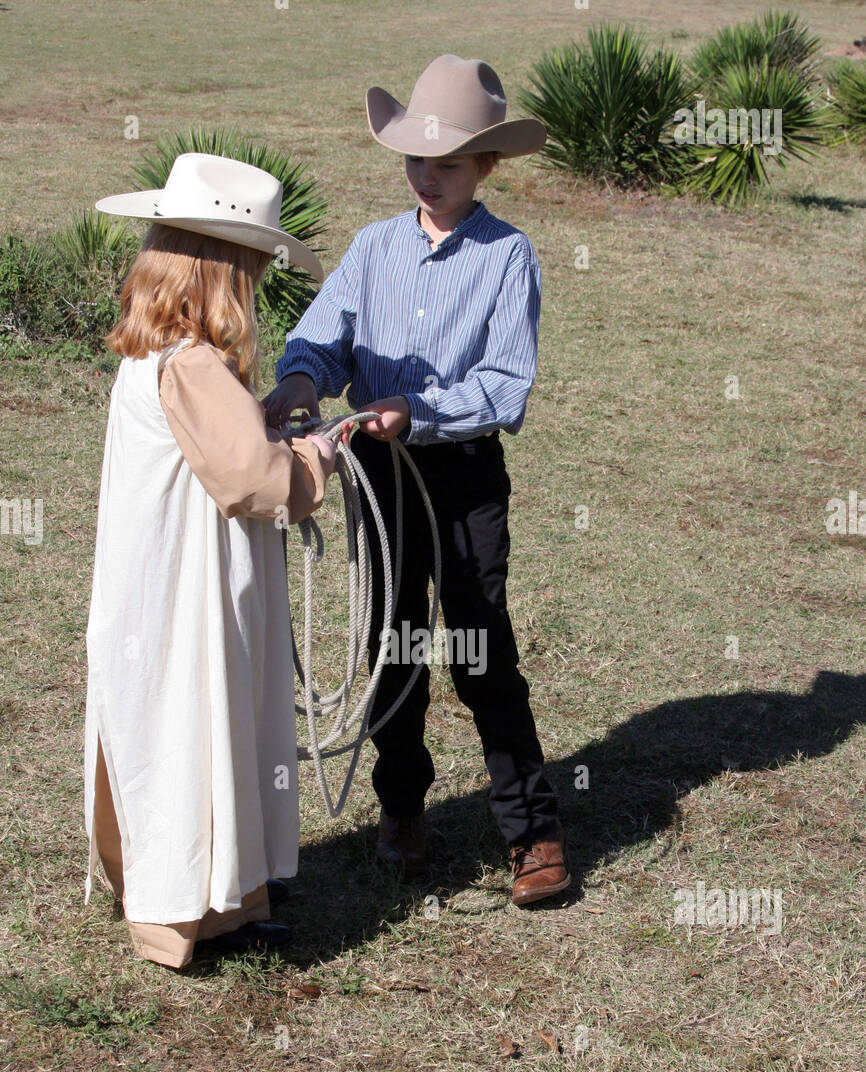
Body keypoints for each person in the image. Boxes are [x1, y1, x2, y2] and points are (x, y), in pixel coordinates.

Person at [265, 55, 570, 906]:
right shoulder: (372, 247)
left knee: (481, 651)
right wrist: (299, 380)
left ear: (486, 167)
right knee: (389, 647)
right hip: (378, 476)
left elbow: (506, 385)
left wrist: (422, 412)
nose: (427, 178)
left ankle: (533, 830)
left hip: (463, 476)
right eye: (416, 161)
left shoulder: (510, 257)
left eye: (447, 164)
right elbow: (324, 339)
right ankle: (402, 809)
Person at [84, 153, 336, 968]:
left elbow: (216, 445)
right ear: (226, 273)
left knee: (182, 721)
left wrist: (258, 420)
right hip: (188, 597)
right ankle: (186, 905)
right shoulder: (191, 364)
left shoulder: (153, 355)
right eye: (253, 272)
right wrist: (315, 458)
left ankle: (219, 896)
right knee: (196, 719)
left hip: (156, 587)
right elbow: (251, 480)